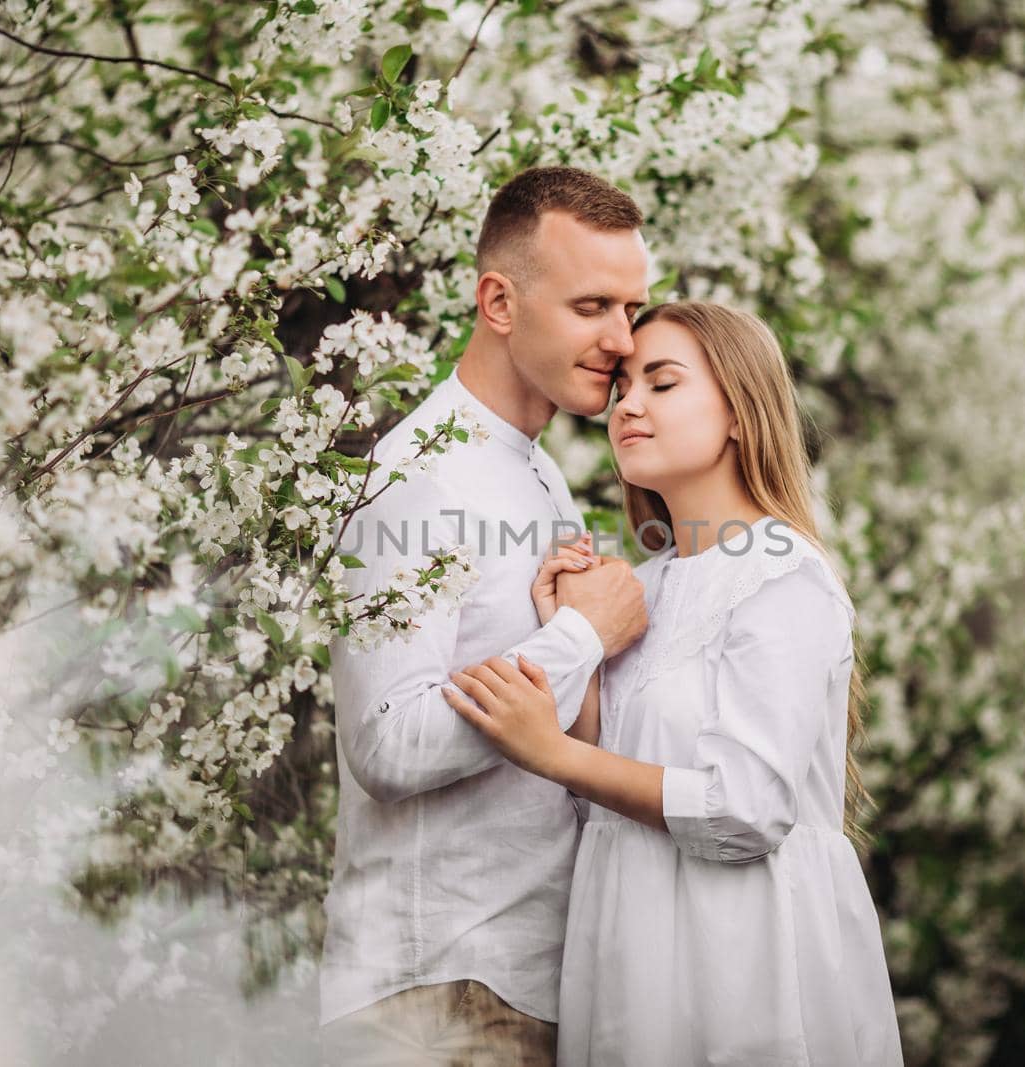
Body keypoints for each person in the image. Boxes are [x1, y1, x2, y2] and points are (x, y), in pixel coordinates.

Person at [443, 301, 905, 1065]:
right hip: (628, 946)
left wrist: (548, 750)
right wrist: (580, 646)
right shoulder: (643, 586)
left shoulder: (782, 573)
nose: (629, 404)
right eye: (624, 385)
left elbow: (745, 809)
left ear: (739, 414)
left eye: (663, 383)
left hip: (744, 956)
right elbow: (612, 786)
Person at [318, 166, 654, 1065]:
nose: (622, 340)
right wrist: (583, 633)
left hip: (524, 984)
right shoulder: (419, 475)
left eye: (632, 308)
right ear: (498, 302)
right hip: (437, 993)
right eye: (593, 306)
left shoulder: (535, 471)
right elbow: (386, 744)